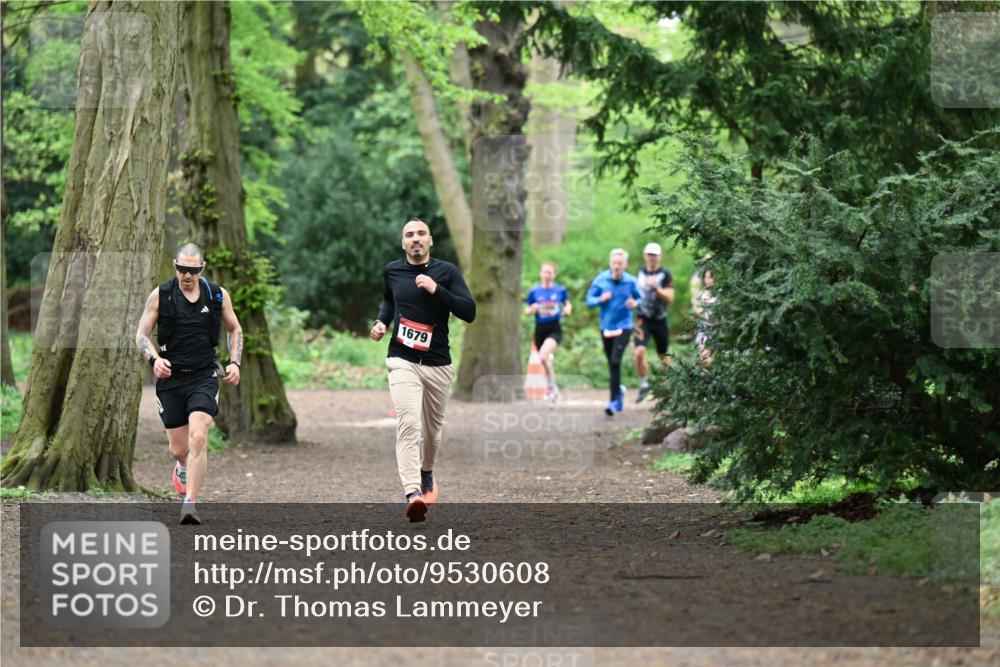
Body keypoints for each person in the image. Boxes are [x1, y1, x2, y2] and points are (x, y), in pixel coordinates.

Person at [371, 218, 476, 523]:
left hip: (438, 364)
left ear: (430, 241)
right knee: (409, 422)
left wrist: (436, 290)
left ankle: (426, 471)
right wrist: (382, 322)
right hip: (402, 359)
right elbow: (389, 301)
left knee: (433, 433)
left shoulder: (447, 272)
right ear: (403, 243)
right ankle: (413, 493)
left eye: (420, 234)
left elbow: (468, 312)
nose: (415, 239)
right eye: (409, 235)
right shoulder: (393, 270)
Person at [135, 243, 242, 525]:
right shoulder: (161, 295)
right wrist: (154, 359)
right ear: (175, 265)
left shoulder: (217, 295)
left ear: (202, 268)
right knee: (179, 449)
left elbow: (235, 328)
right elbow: (141, 335)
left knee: (199, 436)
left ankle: (190, 503)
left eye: (193, 270)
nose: (187, 275)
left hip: (204, 375)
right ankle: (181, 466)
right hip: (171, 379)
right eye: (182, 268)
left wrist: (235, 362)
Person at [586, 248, 641, 417]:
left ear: (625, 264)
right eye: (614, 262)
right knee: (612, 364)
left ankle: (612, 401)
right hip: (606, 327)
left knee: (616, 362)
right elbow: (589, 300)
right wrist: (600, 299)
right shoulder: (601, 280)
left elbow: (640, 298)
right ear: (611, 263)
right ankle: (620, 391)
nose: (617, 265)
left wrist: (634, 303)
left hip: (624, 326)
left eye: (620, 263)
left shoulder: (631, 281)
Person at [524, 261, 571, 405]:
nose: (547, 275)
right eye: (545, 272)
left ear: (554, 275)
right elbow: (526, 310)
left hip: (554, 329)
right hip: (540, 330)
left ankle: (551, 389)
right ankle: (553, 389)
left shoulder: (560, 290)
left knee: (544, 355)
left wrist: (568, 309)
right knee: (545, 361)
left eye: (550, 272)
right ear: (541, 274)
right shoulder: (534, 292)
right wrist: (531, 309)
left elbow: (567, 303)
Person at [633, 242, 674, 403]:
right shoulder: (639, 273)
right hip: (642, 319)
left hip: (660, 320)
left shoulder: (665, 274)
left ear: (659, 257)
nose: (652, 258)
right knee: (639, 352)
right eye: (649, 255)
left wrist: (656, 288)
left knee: (664, 356)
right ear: (645, 256)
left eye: (655, 255)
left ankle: (667, 387)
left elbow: (670, 298)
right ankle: (644, 386)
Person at [693, 268, 716, 366]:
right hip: (703, 330)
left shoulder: (720, 293)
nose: (708, 280)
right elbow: (698, 313)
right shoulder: (703, 293)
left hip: (714, 331)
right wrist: (699, 310)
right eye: (706, 278)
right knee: (702, 359)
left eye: (710, 277)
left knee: (706, 359)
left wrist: (708, 303)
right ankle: (705, 378)